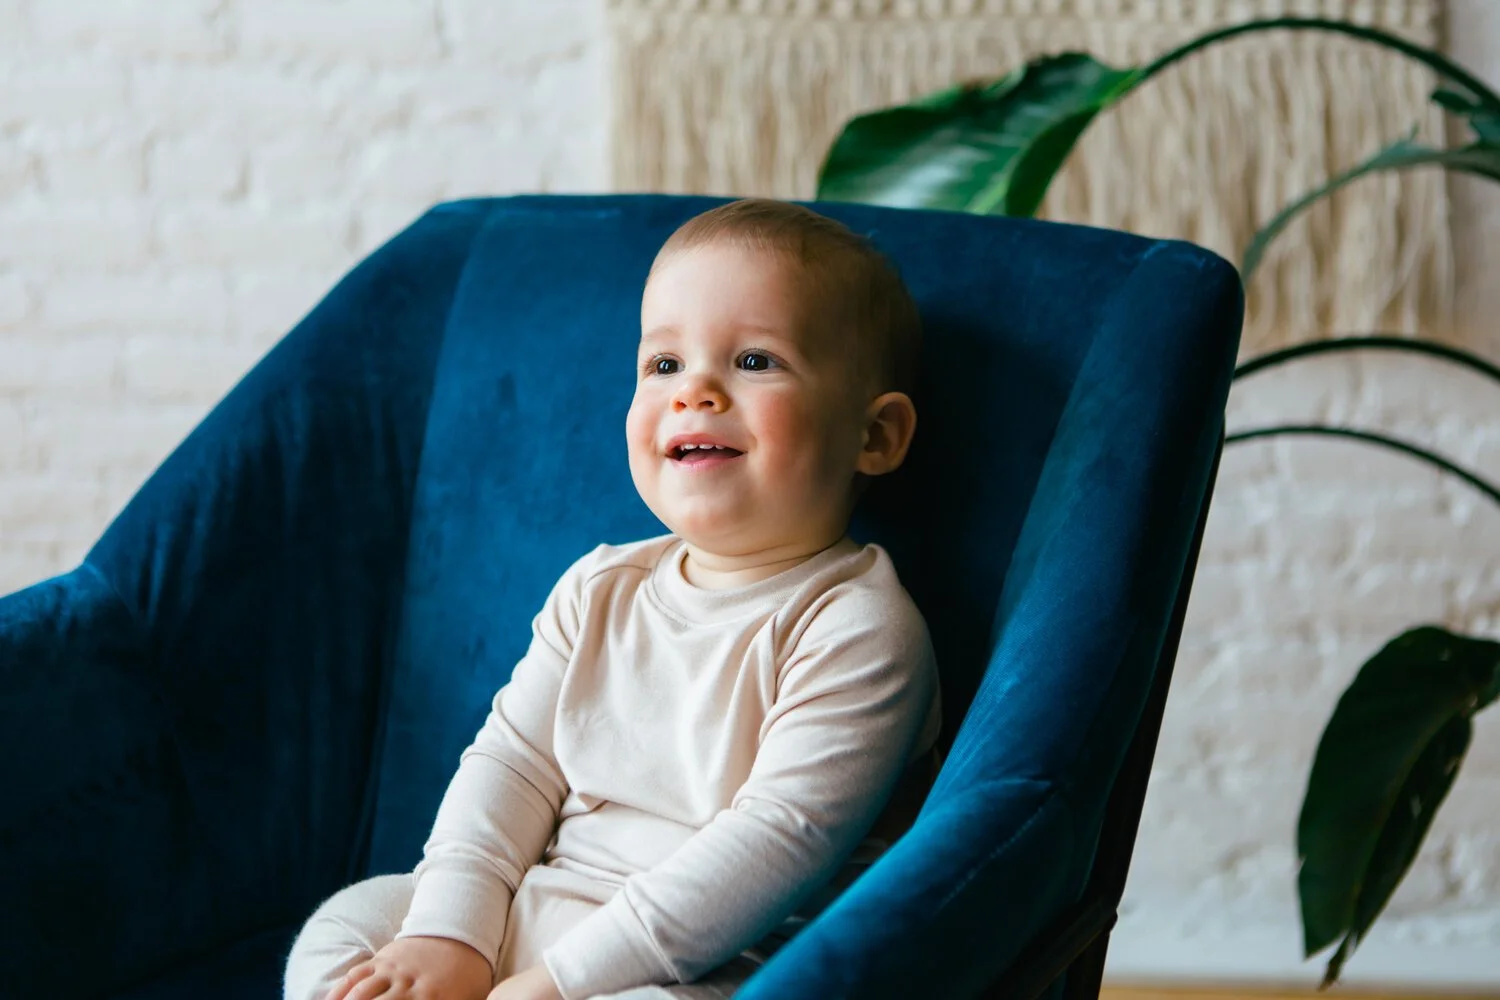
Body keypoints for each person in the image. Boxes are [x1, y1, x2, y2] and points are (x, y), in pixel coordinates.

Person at [283, 198, 943, 1000]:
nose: (695, 391)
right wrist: (449, 933)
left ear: (874, 437)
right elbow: (511, 765)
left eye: (756, 361)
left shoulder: (856, 627)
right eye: (664, 365)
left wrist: (558, 984)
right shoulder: (599, 587)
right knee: (351, 929)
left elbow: (776, 844)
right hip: (543, 907)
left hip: (715, 964)